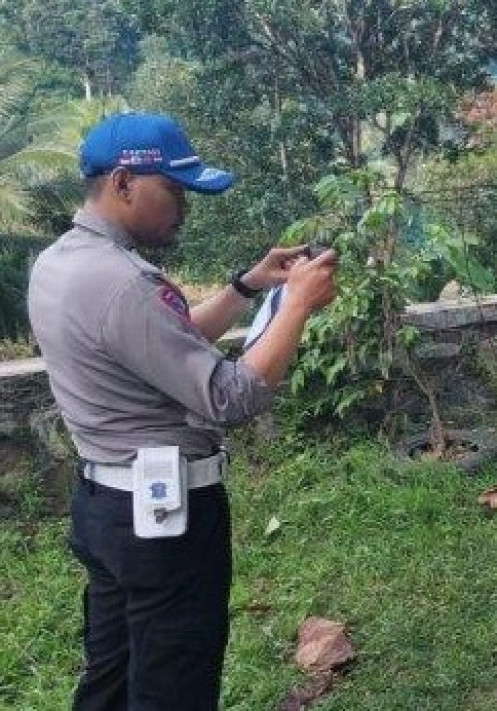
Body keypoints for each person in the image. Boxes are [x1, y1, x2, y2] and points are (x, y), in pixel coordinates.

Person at [26, 112, 338, 710]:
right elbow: (231, 396)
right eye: (173, 190)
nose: (184, 208)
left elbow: (165, 341)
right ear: (122, 183)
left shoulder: (60, 263)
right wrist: (296, 304)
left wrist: (248, 287)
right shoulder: (124, 283)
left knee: (110, 681)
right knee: (174, 689)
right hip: (164, 524)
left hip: (106, 510)